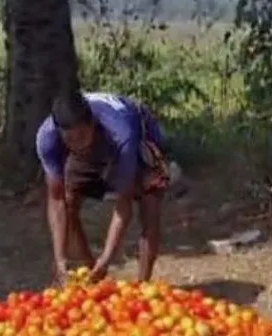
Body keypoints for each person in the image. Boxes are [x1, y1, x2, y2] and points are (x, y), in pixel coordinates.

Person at [36, 91, 172, 283]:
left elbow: (123, 204)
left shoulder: (123, 133)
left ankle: (143, 286)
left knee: (149, 201)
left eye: (81, 135)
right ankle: (93, 275)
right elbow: (56, 199)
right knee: (69, 201)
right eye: (69, 140)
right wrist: (60, 258)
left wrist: (107, 257)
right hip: (97, 145)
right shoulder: (47, 138)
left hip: (140, 134)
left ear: (92, 123)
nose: (77, 144)